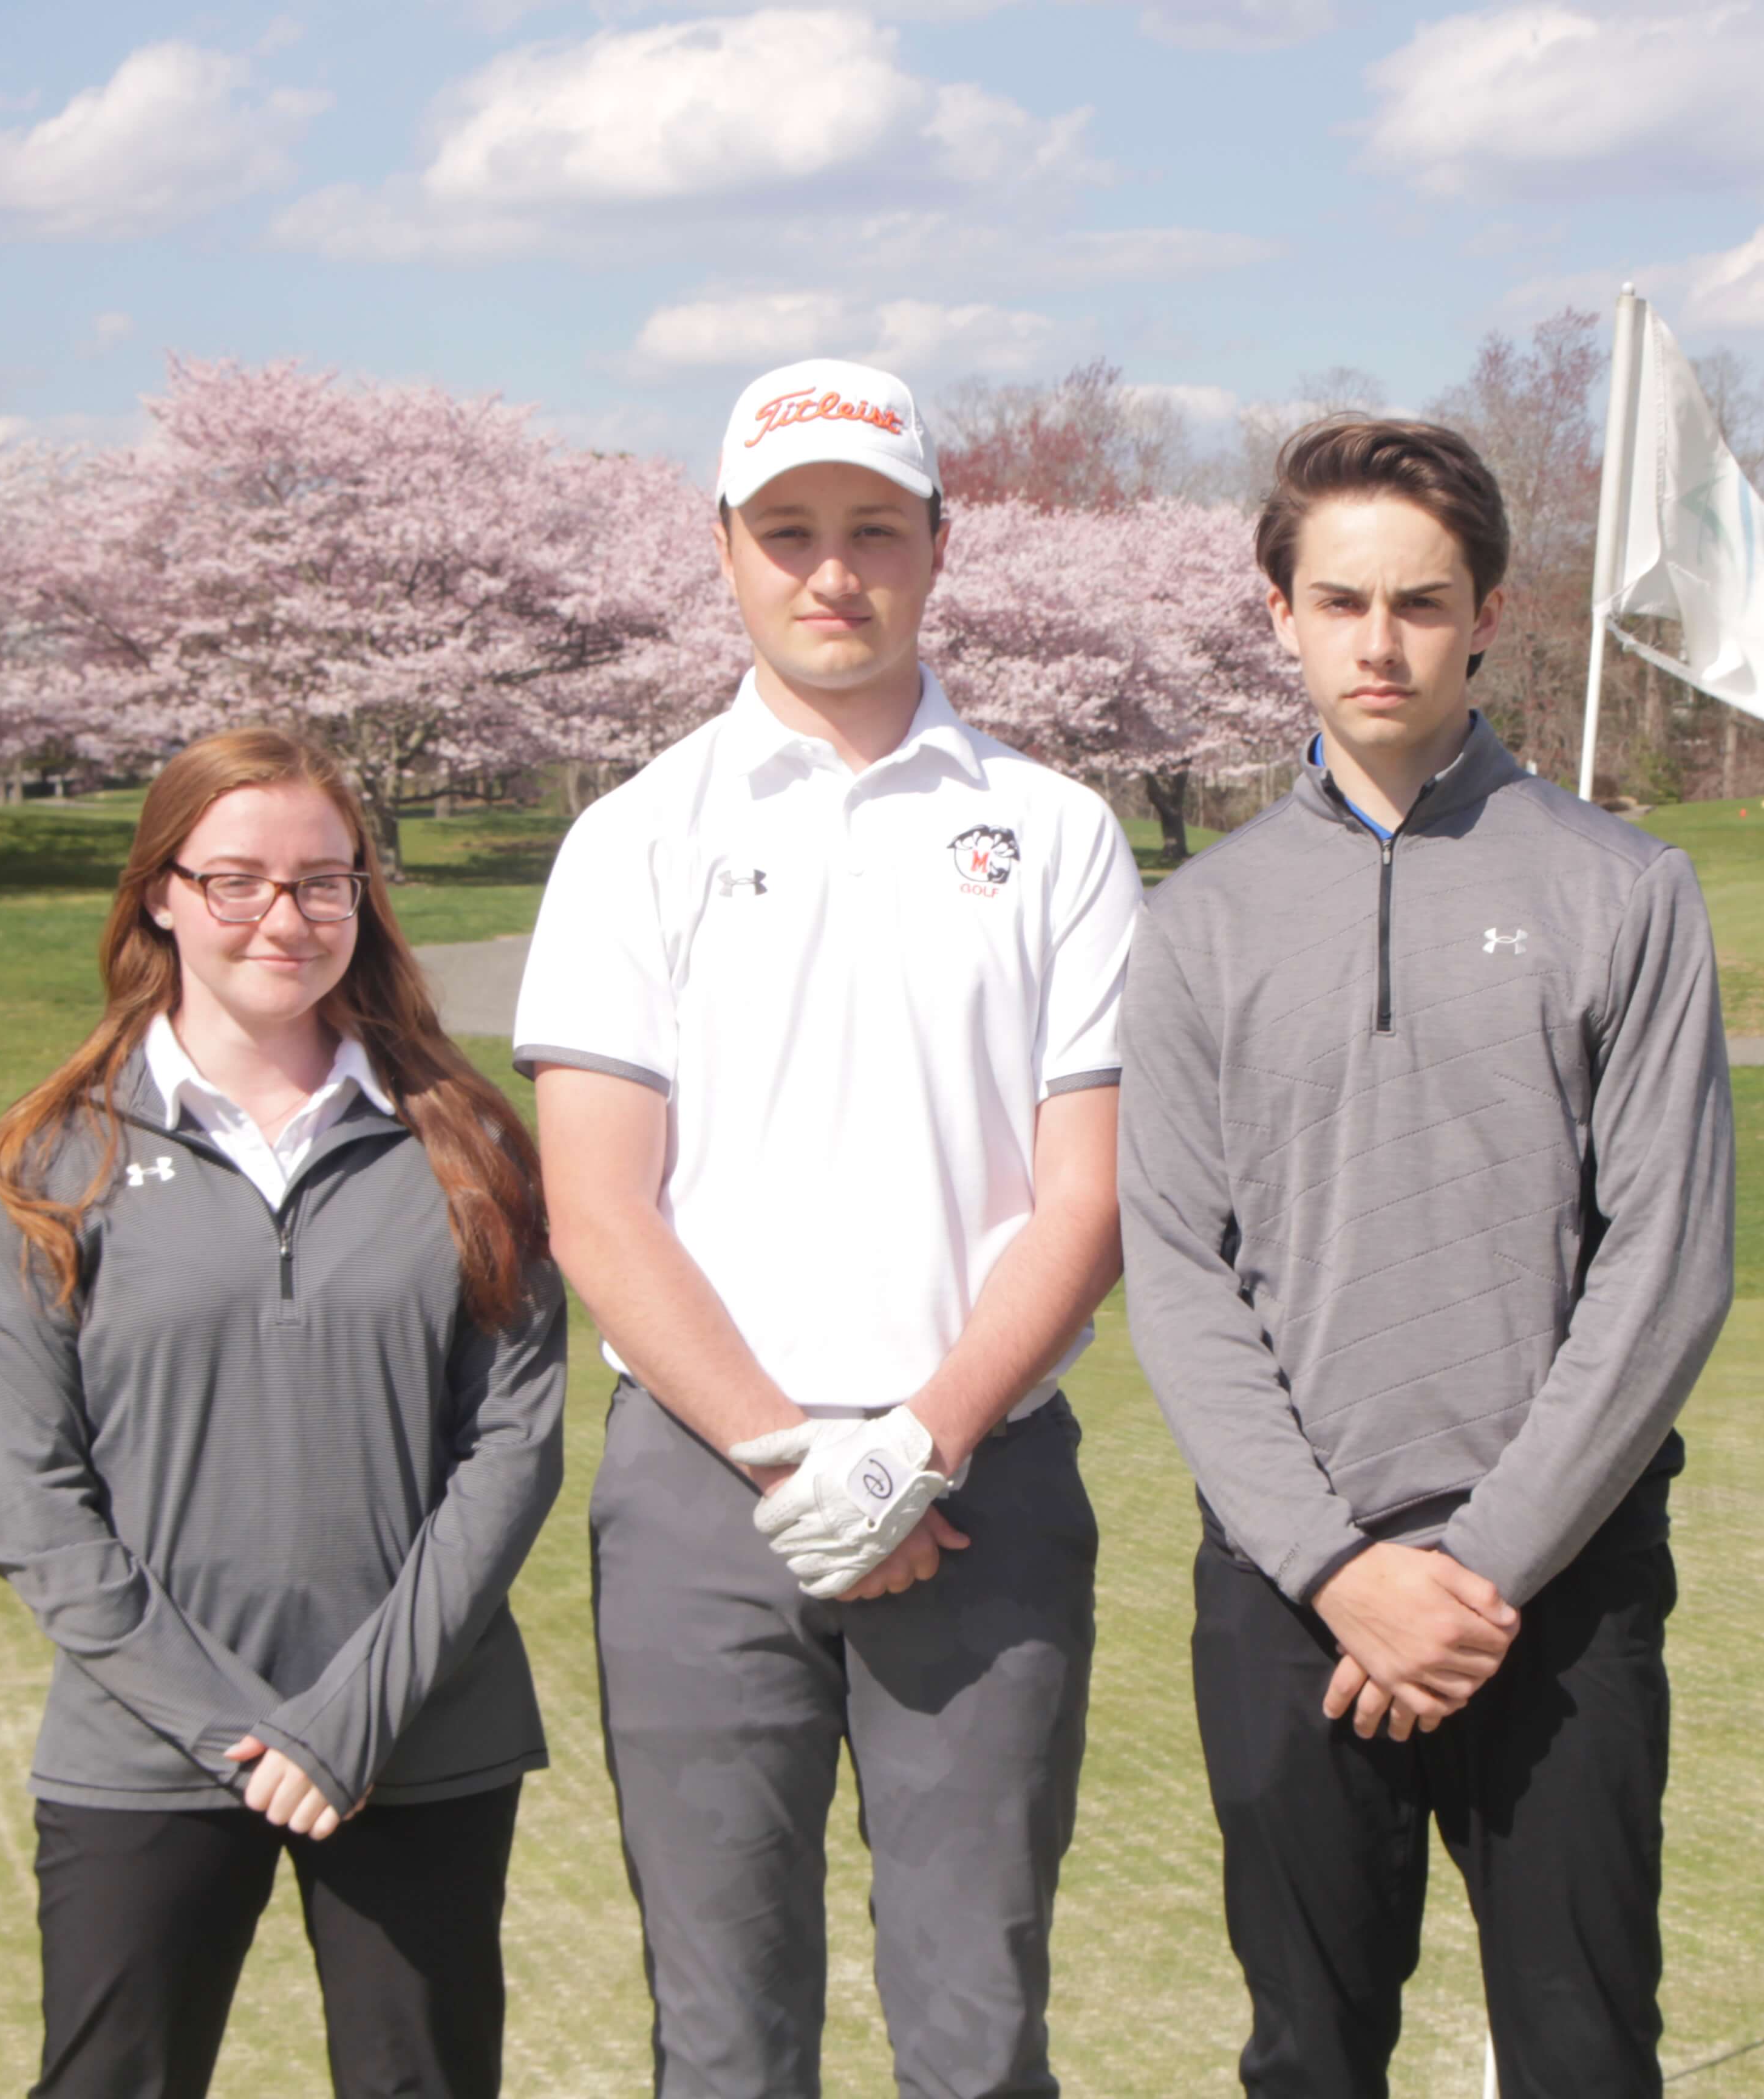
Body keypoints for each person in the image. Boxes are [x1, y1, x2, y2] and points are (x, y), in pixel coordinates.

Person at [511, 358, 1141, 2098]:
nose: (831, 570)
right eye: (788, 532)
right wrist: (801, 1465)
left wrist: (918, 1450)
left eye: (873, 529)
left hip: (983, 1483)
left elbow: (1085, 1201)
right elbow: (598, 1206)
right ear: (725, 549)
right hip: (708, 1492)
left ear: (940, 544)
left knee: (975, 2027)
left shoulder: (1057, 831)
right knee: (724, 2035)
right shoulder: (635, 839)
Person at [1117, 420, 1735, 2098]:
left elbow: (1667, 1263)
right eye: (1339, 602)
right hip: (1290, 1587)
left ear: (1489, 616)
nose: (1377, 644)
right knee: (1309, 2058)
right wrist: (1339, 1572)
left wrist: (1483, 1575)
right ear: (1278, 614)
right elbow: (1175, 1270)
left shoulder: (1626, 890)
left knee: (1584, 2055)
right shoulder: (1198, 927)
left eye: (1419, 603)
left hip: (1558, 1585)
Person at [0, 728, 567, 2099]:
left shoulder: (468, 1144)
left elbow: (510, 1455)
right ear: (161, 893)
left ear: (364, 897)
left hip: (417, 1742)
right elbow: (32, 1505)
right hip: (143, 1744)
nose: (282, 918)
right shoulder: (50, 1158)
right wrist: (235, 1730)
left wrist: (345, 1721)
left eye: (321, 882)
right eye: (237, 880)